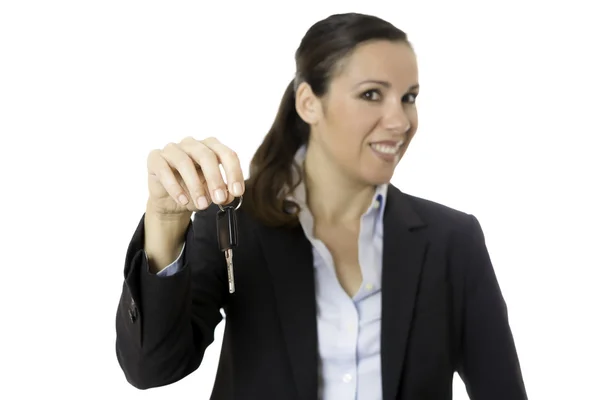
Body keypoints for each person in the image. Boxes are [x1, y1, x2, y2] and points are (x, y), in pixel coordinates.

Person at [114, 12, 528, 400]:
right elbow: (153, 368)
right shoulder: (237, 224)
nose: (401, 121)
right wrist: (166, 223)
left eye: (409, 98)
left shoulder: (452, 240)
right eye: (371, 94)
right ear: (308, 102)